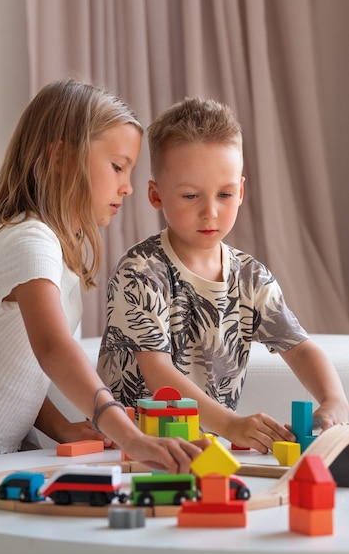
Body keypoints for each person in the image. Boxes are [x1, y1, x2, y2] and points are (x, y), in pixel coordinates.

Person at [0, 79, 208, 472]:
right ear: (60, 158)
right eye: (117, 167)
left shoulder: (53, 251)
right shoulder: (30, 240)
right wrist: (131, 436)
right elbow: (52, 349)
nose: (128, 188)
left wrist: (62, 428)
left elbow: (20, 371)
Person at [97, 96, 349, 454]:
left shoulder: (251, 278)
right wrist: (231, 424)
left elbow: (300, 349)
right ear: (156, 195)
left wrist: (333, 400)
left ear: (241, 191)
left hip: (205, 449)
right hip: (130, 449)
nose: (210, 212)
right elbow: (159, 375)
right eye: (190, 195)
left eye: (226, 194)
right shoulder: (140, 272)